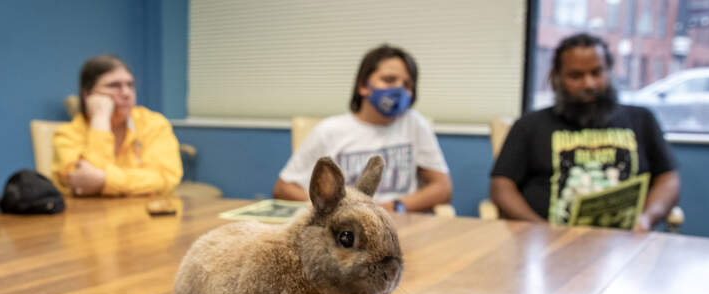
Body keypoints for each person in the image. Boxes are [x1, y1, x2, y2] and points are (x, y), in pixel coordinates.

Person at [490, 33, 681, 231]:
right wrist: (540, 229)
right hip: (547, 243)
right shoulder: (529, 125)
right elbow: (501, 186)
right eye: (576, 76)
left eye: (596, 73)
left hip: (625, 241)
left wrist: (647, 218)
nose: (588, 84)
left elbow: (667, 178)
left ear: (609, 71)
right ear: (557, 77)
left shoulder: (642, 119)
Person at [273, 45, 452, 213]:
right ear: (363, 86)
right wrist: (333, 210)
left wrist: (394, 207)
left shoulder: (414, 124)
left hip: (397, 223)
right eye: (389, 79)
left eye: (407, 85)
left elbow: (443, 188)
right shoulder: (328, 131)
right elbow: (283, 189)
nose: (399, 89)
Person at [52, 55, 182, 196]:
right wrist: (100, 119)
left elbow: (165, 179)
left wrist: (105, 180)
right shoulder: (67, 135)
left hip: (142, 213)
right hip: (88, 215)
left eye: (130, 85)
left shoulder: (152, 123)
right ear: (87, 94)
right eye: (114, 85)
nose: (126, 93)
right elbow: (84, 186)